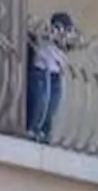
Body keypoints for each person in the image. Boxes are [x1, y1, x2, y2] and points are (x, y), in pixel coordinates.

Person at [27, 12, 75, 141]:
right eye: (61, 28)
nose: (63, 32)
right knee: (40, 103)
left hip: (56, 75)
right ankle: (32, 130)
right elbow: (39, 34)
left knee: (52, 106)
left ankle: (44, 133)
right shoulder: (45, 35)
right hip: (41, 72)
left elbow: (72, 44)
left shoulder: (65, 42)